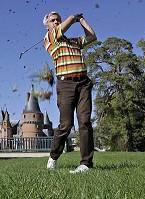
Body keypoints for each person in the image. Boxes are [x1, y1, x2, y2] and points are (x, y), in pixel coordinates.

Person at [42, 11, 97, 173]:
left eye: (58, 19)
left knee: (85, 122)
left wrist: (81, 20)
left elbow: (92, 37)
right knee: (66, 124)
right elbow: (61, 28)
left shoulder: (73, 42)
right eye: (53, 20)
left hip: (83, 83)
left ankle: (86, 164)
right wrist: (72, 18)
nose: (56, 22)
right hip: (65, 85)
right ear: (47, 26)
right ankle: (53, 156)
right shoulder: (50, 39)